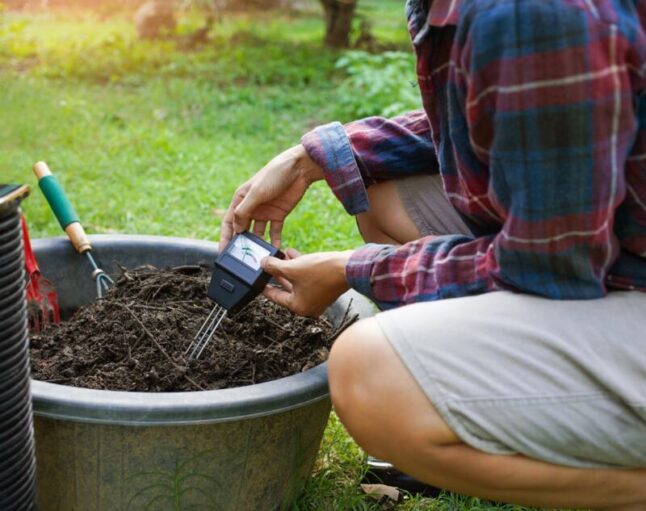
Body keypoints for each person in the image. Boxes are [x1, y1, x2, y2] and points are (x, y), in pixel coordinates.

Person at [219, 0, 646, 508]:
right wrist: (314, 158)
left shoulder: (528, 13)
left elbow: (553, 264)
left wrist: (351, 268)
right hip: (611, 253)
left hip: (605, 271)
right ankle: (498, 411)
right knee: (383, 192)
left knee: (367, 374)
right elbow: (502, 113)